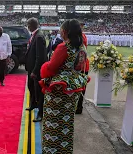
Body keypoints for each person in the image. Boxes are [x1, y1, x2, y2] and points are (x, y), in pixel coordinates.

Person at [39, 19, 90, 153]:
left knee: (53, 123)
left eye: (62, 30)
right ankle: (65, 150)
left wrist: (44, 69)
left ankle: (52, 150)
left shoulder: (63, 47)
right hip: (74, 87)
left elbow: (50, 68)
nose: (60, 32)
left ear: (66, 32)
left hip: (59, 90)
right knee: (66, 122)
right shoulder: (82, 47)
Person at [25, 18, 47, 122]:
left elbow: (40, 56)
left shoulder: (39, 37)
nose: (27, 26)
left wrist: (35, 70)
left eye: (28, 25)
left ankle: (40, 113)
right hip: (31, 68)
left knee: (39, 91)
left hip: (36, 69)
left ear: (31, 25)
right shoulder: (34, 35)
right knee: (31, 87)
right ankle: (33, 104)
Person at [76, 22, 90, 114]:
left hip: (80, 66)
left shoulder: (79, 37)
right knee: (81, 87)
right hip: (83, 65)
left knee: (79, 87)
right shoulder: (82, 36)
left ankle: (78, 107)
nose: (81, 28)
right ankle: (78, 107)